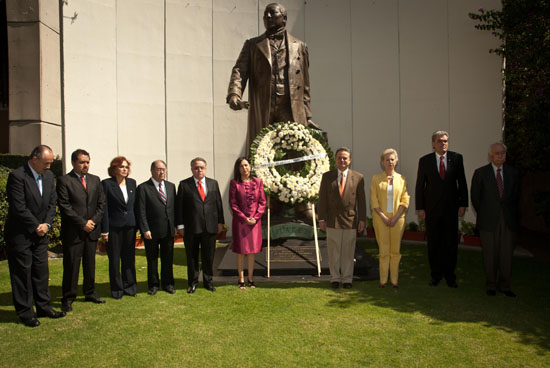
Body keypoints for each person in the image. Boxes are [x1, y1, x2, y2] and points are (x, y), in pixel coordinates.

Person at [227, 2, 318, 150]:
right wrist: (234, 94)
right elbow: (239, 71)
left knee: (293, 147)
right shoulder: (253, 45)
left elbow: (305, 85)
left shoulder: (300, 46)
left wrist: (307, 115)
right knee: (262, 147)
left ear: (284, 18)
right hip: (264, 103)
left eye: (272, 13)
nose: (268, 17)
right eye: (265, 15)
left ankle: (291, 174)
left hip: (290, 105)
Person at [5, 145, 66, 327]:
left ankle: (44, 307)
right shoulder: (17, 176)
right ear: (34, 159)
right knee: (22, 274)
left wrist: (46, 224)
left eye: (51, 163)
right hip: (20, 235)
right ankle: (25, 312)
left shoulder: (49, 176)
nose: (49, 166)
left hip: (41, 233)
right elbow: (19, 207)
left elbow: (51, 202)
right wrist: (35, 226)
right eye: (46, 163)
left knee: (41, 271)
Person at [415, 131, 468, 288]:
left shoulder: (457, 158)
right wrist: (420, 207)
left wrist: (463, 204)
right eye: (440, 141)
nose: (443, 143)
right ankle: (436, 275)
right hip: (432, 210)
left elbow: (462, 182)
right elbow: (420, 185)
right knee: (434, 243)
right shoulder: (425, 161)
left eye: (445, 141)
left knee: (451, 243)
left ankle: (450, 276)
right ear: (433, 144)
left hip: (451, 209)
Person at [57, 149, 105, 312]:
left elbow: (101, 204)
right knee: (71, 265)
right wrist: (82, 223)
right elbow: (65, 207)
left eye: (88, 162)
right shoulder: (64, 181)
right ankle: (68, 297)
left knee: (90, 264)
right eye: (82, 162)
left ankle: (90, 292)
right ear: (73, 163)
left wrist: (92, 222)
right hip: (74, 232)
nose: (86, 165)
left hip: (91, 231)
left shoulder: (95, 180)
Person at [471, 143, 519, 297]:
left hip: (508, 220)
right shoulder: (480, 173)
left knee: (506, 254)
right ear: (490, 155)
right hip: (488, 220)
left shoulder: (513, 173)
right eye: (497, 153)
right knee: (490, 254)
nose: (500, 155)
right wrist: (486, 212)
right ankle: (491, 284)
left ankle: (505, 286)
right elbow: (475, 198)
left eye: (503, 153)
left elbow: (517, 197)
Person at [318, 147, 366, 289]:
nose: (342, 160)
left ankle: (347, 279)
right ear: (335, 160)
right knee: (334, 252)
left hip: (350, 219)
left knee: (348, 251)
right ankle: (335, 278)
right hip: (332, 219)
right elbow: (323, 200)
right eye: (339, 158)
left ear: (350, 160)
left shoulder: (358, 177)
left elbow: (361, 201)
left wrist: (362, 219)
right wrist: (321, 218)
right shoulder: (327, 176)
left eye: (345, 158)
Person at [176, 157, 225, 294]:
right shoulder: (184, 185)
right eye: (196, 168)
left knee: (208, 256)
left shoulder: (213, 183)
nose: (199, 170)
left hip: (210, 227)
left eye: (201, 167)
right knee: (192, 257)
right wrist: (180, 226)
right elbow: (179, 207)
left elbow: (218, 205)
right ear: (192, 169)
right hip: (191, 228)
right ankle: (192, 283)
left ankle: (208, 282)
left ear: (205, 168)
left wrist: (220, 222)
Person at [370, 148, 410, 288]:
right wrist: (383, 217)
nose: (390, 162)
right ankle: (383, 280)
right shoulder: (376, 179)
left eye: (392, 159)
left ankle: (394, 280)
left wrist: (395, 217)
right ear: (382, 162)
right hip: (380, 219)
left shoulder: (402, 179)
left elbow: (405, 200)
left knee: (395, 250)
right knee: (383, 250)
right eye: (387, 159)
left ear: (396, 160)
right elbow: (374, 201)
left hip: (397, 220)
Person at [136, 160, 177, 295]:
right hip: (151, 231)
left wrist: (176, 226)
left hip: (168, 230)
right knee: (152, 259)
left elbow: (173, 208)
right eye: (159, 169)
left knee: (168, 258)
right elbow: (141, 210)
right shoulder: (143, 188)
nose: (162, 172)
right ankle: (153, 285)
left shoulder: (171, 186)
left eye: (164, 169)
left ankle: (168, 284)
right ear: (152, 171)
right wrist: (145, 229)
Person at [100, 156, 137, 299]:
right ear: (114, 169)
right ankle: (117, 289)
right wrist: (105, 230)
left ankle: (130, 286)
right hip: (114, 227)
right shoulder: (107, 184)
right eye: (122, 167)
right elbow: (105, 209)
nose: (125, 169)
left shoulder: (132, 183)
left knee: (129, 258)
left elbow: (134, 206)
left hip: (130, 226)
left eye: (127, 167)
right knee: (115, 259)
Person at [229, 157, 266, 289]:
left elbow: (262, 202)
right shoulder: (234, 183)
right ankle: (241, 280)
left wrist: (256, 217)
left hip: (254, 223)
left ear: (250, 166)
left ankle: (250, 279)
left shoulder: (258, 182)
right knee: (241, 251)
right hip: (240, 223)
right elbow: (233, 204)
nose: (244, 168)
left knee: (251, 251)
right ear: (238, 169)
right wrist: (244, 218)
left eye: (246, 165)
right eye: (241, 166)